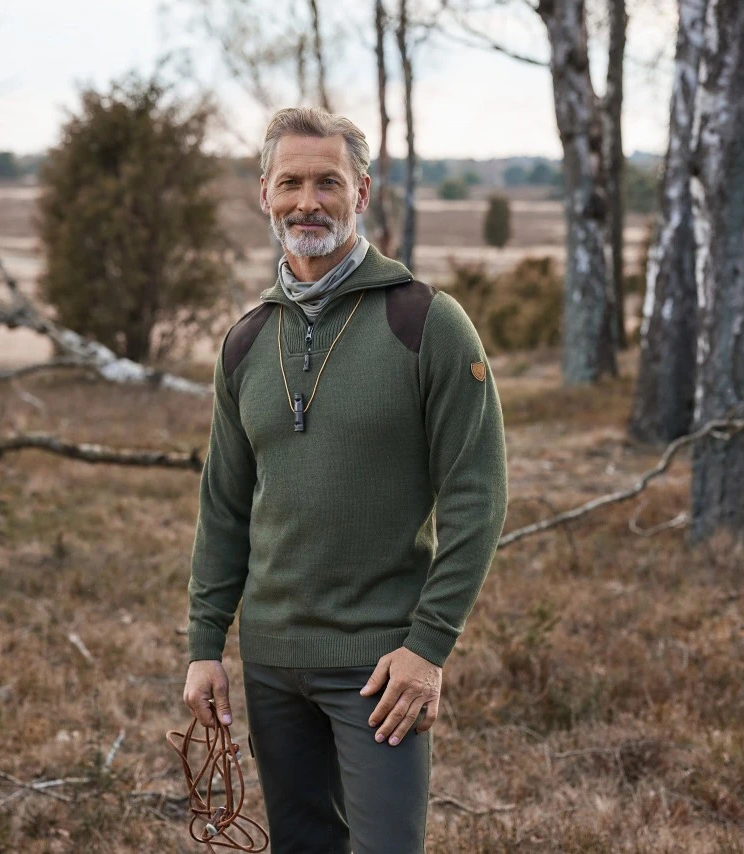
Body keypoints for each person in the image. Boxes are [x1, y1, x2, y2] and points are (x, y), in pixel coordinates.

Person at [182, 106, 508, 854]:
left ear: (361, 192)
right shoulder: (245, 342)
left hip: (380, 667)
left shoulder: (426, 322)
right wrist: (205, 645)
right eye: (290, 183)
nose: (308, 202)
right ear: (264, 194)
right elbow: (224, 507)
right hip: (272, 662)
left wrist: (428, 647)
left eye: (328, 182)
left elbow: (478, 494)